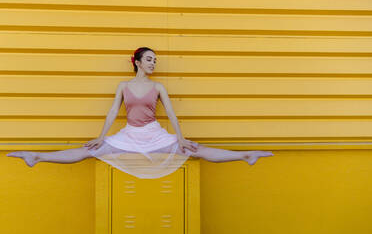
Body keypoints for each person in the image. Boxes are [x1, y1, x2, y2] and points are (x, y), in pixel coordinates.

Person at [7, 47, 274, 179]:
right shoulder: (123, 86)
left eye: (155, 60)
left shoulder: (158, 86)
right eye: (149, 59)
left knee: (197, 149)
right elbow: (113, 113)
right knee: (87, 150)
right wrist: (102, 136)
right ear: (136, 62)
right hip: (129, 136)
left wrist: (180, 138)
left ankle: (245, 155)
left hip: (154, 135)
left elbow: (171, 114)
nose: (153, 63)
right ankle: (36, 156)